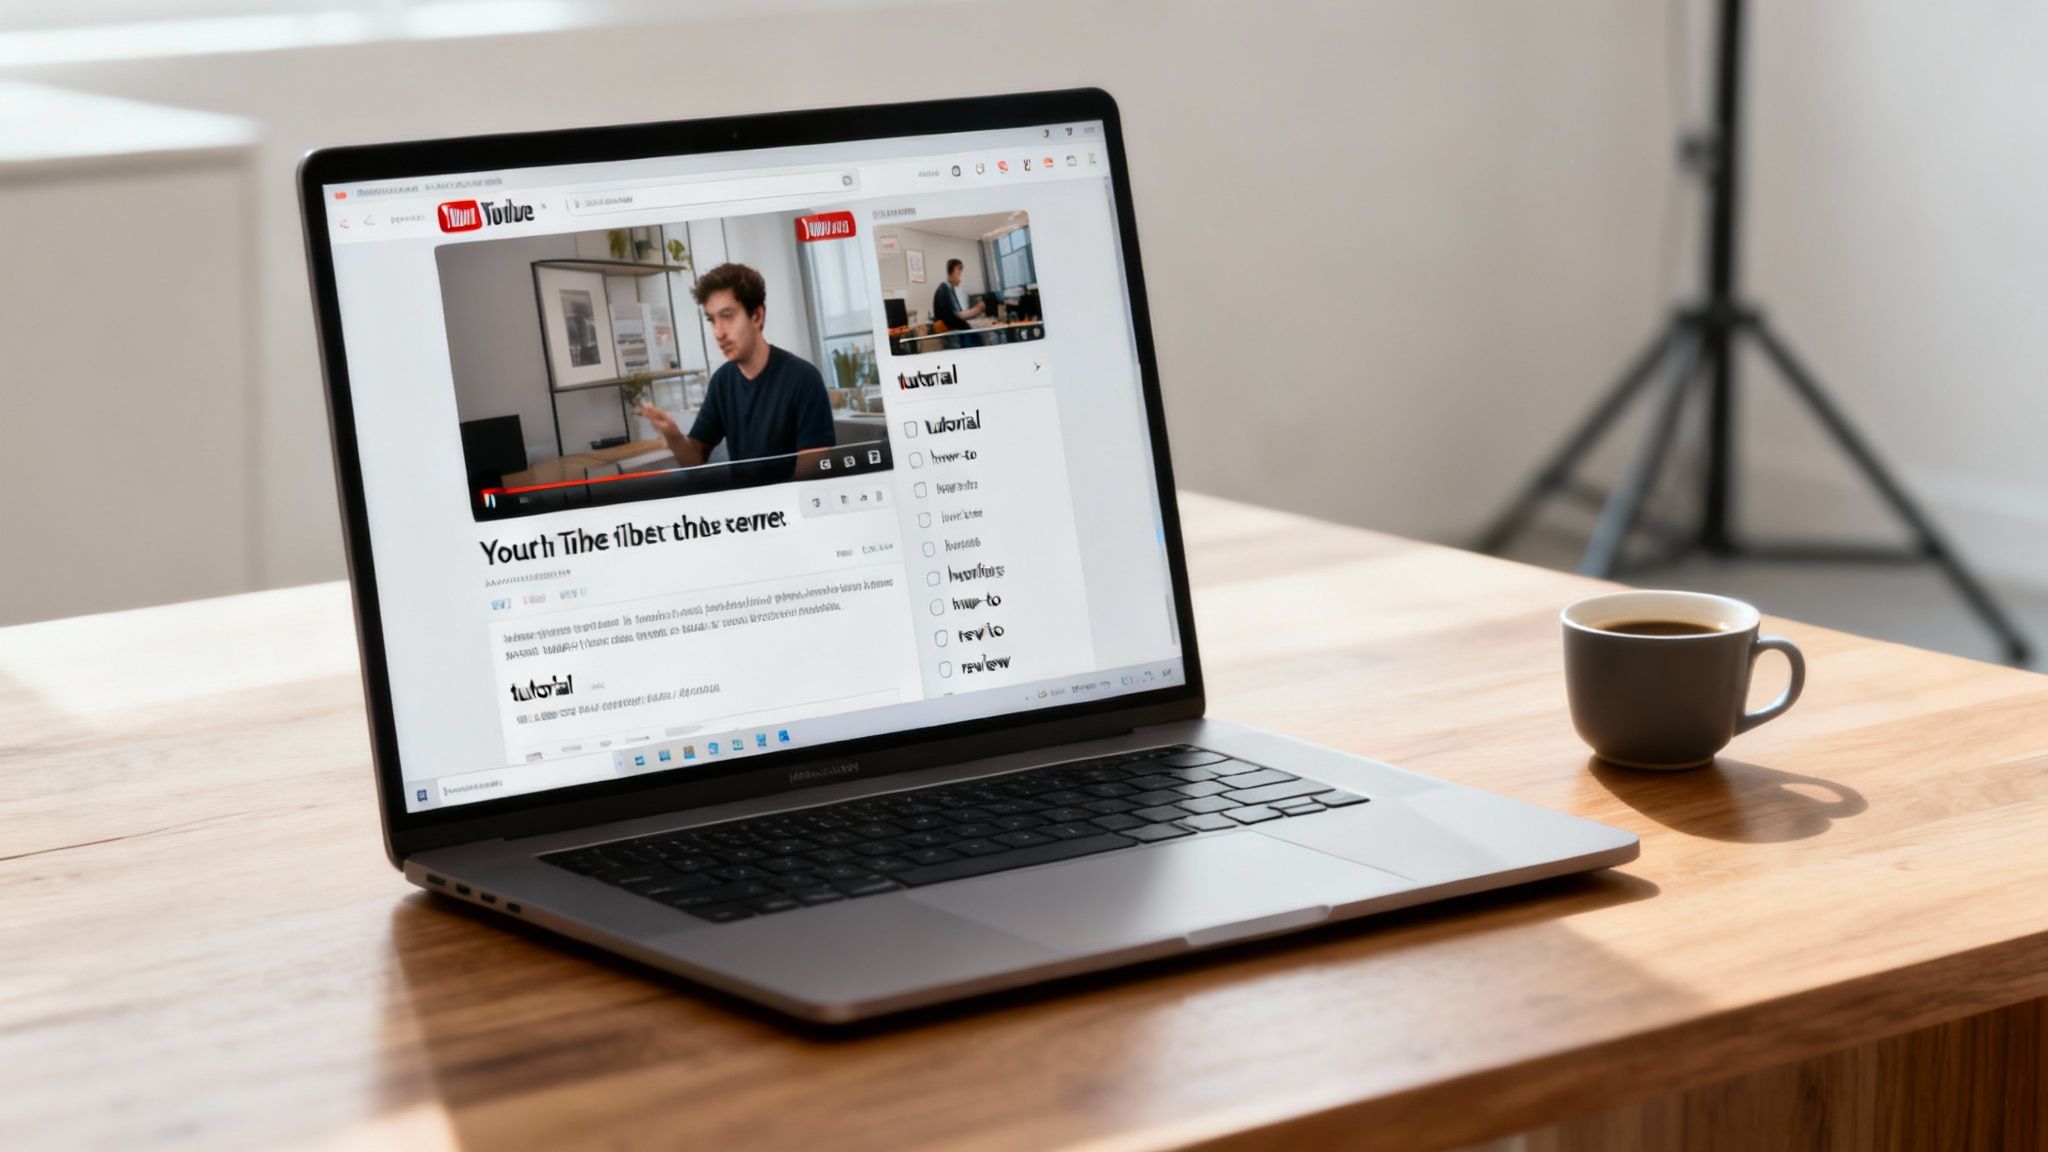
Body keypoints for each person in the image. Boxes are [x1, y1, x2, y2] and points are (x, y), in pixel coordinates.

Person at [639, 263, 834, 481]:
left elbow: (812, 475)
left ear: (757, 316)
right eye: (712, 320)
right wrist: (673, 436)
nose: (718, 333)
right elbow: (695, 460)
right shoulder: (722, 382)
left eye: (727, 316)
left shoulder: (804, 379)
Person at [930, 258, 986, 347]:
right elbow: (959, 315)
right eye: (959, 274)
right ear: (953, 271)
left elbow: (958, 314)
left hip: (958, 332)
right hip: (955, 336)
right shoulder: (945, 288)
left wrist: (976, 310)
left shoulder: (949, 289)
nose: (961, 278)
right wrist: (977, 309)